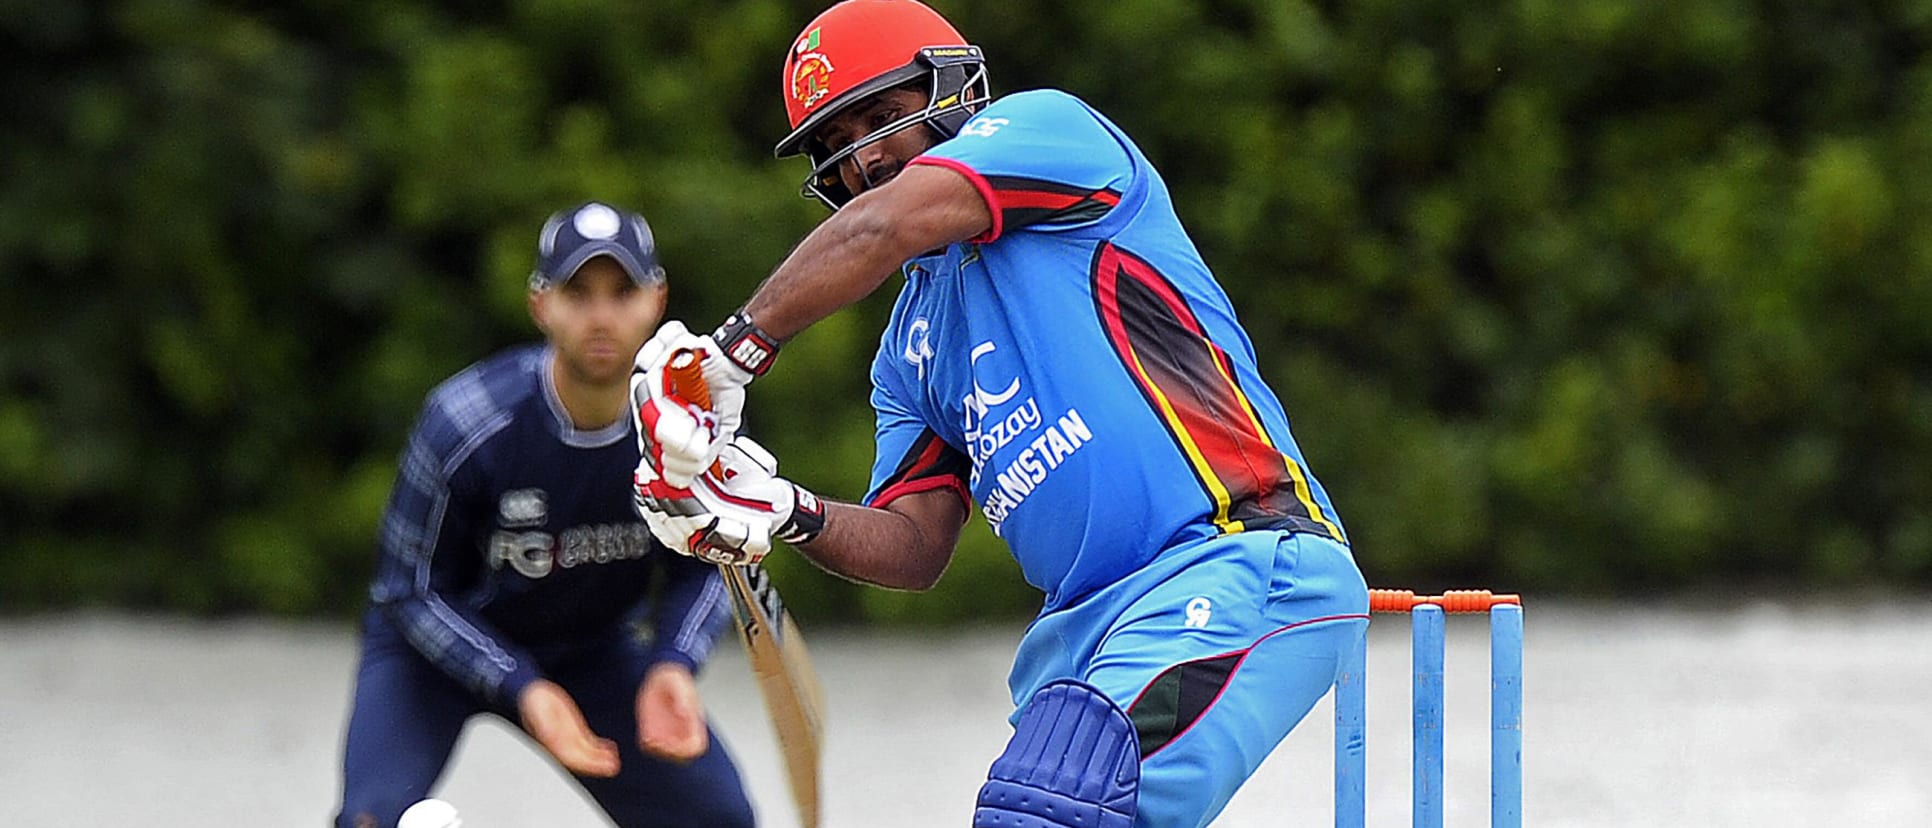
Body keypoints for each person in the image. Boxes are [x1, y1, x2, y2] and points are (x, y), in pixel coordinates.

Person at [629, 1, 1373, 826]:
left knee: (1047, 810)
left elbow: (885, 224)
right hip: (1084, 644)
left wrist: (728, 354)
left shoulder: (1055, 136)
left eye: (884, 118)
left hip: (1240, 563)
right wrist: (783, 511)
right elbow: (913, 547)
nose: (866, 159)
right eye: (838, 147)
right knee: (1035, 807)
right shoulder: (908, 349)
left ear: (952, 90)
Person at [334, 202, 756, 828]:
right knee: (370, 820)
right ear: (540, 304)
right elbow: (409, 589)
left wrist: (673, 663)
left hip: (592, 650)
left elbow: (707, 565)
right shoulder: (465, 421)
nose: (602, 316)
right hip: (437, 654)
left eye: (623, 292)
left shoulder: (690, 429)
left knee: (720, 820)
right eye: (578, 292)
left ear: (657, 298)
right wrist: (523, 687)